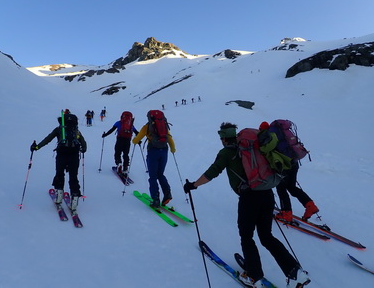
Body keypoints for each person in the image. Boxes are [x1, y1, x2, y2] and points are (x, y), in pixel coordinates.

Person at [183, 122, 310, 288]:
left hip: (249, 198)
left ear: (223, 138)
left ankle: (253, 275)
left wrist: (193, 185)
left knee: (247, 236)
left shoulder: (227, 153)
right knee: (266, 236)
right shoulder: (254, 148)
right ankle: (295, 272)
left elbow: (212, 172)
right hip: (267, 194)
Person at [259, 121, 319, 222]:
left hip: (284, 165)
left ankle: (286, 213)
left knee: (281, 188)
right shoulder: (282, 134)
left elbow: (267, 150)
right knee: (292, 187)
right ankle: (310, 206)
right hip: (294, 162)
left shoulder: (270, 136)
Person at [30, 110, 87, 213]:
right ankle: (74, 200)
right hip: (74, 155)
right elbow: (84, 144)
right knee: (73, 176)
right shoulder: (76, 131)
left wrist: (37, 147)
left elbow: (48, 139)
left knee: (59, 173)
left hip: (62, 154)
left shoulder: (59, 129)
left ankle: (59, 195)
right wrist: (82, 149)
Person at [132, 110, 176, 208]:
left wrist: (134, 141)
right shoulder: (164, 126)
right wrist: (173, 149)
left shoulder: (147, 127)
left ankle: (155, 199)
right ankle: (167, 194)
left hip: (153, 152)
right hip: (164, 151)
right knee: (160, 174)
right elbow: (169, 139)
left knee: (153, 176)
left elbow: (137, 138)